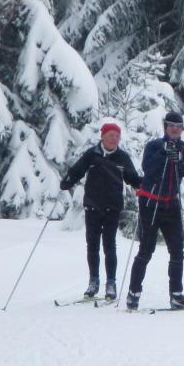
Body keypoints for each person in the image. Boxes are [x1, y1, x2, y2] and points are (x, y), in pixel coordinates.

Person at [60, 123, 141, 300]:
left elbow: (132, 178)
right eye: (111, 135)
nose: (114, 139)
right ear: (102, 136)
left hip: (112, 207)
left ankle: (111, 283)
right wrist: (68, 181)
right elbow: (77, 170)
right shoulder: (92, 154)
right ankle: (93, 281)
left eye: (117, 136)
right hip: (92, 205)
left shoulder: (122, 157)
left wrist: (142, 185)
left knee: (109, 245)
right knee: (92, 245)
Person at [127, 111, 184, 310]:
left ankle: (176, 294)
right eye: (171, 125)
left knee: (177, 250)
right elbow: (148, 168)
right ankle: (134, 292)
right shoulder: (154, 146)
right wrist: (163, 153)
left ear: (182, 129)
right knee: (146, 250)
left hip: (172, 203)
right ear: (165, 127)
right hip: (151, 202)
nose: (175, 129)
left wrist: (181, 159)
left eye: (179, 126)